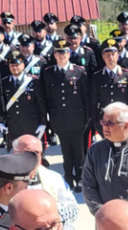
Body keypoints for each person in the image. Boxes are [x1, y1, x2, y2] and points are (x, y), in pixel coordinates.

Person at [83, 103, 128, 217]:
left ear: (126, 126)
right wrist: (101, 212)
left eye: (110, 123)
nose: (105, 126)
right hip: (104, 220)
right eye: (103, 122)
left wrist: (123, 215)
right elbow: (88, 186)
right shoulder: (95, 151)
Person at [42, 38, 90, 193]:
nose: (61, 56)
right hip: (59, 119)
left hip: (77, 118)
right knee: (66, 151)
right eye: (58, 53)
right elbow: (47, 98)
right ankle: (68, 178)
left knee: (79, 151)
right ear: (54, 55)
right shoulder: (49, 73)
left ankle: (81, 178)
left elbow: (85, 97)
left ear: (69, 53)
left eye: (64, 52)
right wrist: (50, 120)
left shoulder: (79, 71)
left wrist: (87, 118)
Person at [13, 135, 79, 225]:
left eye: (37, 152)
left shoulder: (54, 177)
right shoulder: (5, 180)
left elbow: (72, 208)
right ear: (15, 153)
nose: (33, 157)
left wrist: (43, 215)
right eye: (27, 152)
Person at [0, 50, 47, 151]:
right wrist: (1, 121)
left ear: (23, 65)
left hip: (32, 125)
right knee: (17, 156)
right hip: (14, 125)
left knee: (33, 154)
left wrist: (43, 123)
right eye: (12, 66)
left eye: (17, 65)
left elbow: (41, 104)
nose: (14, 68)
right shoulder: (5, 82)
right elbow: (0, 103)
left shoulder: (33, 82)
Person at [90, 39, 128, 136]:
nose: (110, 57)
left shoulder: (127, 76)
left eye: (113, 54)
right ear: (103, 57)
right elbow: (94, 101)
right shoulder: (97, 77)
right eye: (107, 55)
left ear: (117, 56)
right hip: (105, 121)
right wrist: (96, 122)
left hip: (122, 120)